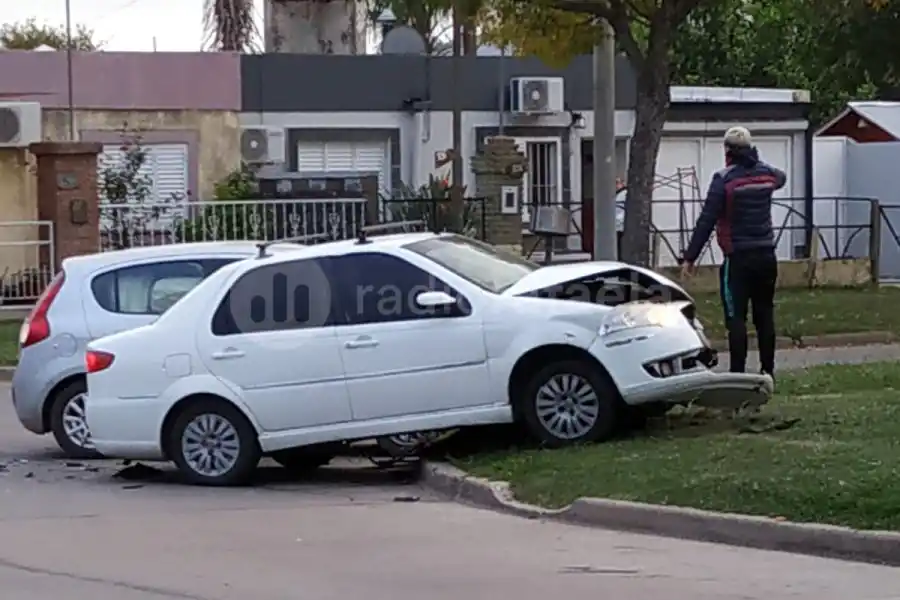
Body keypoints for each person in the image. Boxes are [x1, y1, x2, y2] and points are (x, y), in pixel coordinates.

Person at [680, 126, 786, 377]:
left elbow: (707, 220)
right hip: (766, 255)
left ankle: (738, 373)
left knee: (735, 316)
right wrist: (757, 162)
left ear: (727, 150)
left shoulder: (724, 180)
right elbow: (781, 177)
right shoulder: (767, 175)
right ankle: (767, 371)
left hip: (737, 257)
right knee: (765, 313)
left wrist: (690, 257)